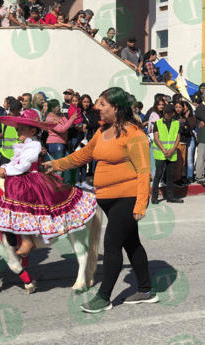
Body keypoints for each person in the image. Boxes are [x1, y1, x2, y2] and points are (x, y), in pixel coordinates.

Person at [43, 87, 157, 313]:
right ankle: (145, 290)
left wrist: (141, 204)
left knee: (112, 244)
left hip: (127, 197)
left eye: (102, 104)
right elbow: (82, 156)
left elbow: (144, 170)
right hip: (106, 198)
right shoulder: (103, 132)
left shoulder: (134, 134)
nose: (97, 108)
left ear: (116, 107)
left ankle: (103, 297)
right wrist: (54, 164)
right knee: (131, 243)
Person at [0, 109, 97, 255]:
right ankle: (14, 233)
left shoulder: (34, 145)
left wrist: (6, 171)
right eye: (17, 129)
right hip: (23, 174)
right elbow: (15, 161)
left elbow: (24, 165)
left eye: (22, 129)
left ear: (32, 130)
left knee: (20, 195)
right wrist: (3, 168)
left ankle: (27, 238)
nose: (18, 132)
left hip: (31, 177)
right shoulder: (23, 144)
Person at [151, 104, 183, 203]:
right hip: (161, 153)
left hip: (172, 153)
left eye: (168, 112)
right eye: (165, 112)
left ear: (173, 113)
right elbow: (156, 138)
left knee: (170, 176)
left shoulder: (176, 123)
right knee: (158, 175)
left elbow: (178, 138)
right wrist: (164, 150)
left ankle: (170, 197)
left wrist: (172, 150)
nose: (166, 114)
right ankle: (154, 197)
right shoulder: (158, 123)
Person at [46, 99, 77, 184]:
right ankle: (58, 184)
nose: (60, 107)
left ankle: (66, 183)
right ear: (52, 108)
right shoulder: (50, 118)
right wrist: (72, 118)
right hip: (55, 144)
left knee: (67, 163)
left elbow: (68, 125)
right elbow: (61, 129)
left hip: (62, 143)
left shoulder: (61, 116)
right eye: (58, 106)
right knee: (59, 166)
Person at [78, 94, 100, 188]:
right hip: (80, 138)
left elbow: (96, 124)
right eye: (84, 102)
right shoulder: (78, 112)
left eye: (87, 102)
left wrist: (86, 125)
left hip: (90, 137)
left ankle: (91, 175)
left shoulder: (93, 112)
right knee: (81, 158)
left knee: (92, 158)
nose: (86, 104)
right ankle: (81, 179)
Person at [173, 101, 196, 187]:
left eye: (180, 107)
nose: (178, 109)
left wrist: (183, 128)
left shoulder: (184, 118)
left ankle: (179, 178)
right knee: (177, 162)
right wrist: (183, 128)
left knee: (182, 162)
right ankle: (175, 179)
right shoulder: (174, 118)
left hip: (184, 142)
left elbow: (188, 130)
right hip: (177, 143)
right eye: (176, 107)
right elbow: (176, 130)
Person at [0, 100, 22, 165]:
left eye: (14, 109)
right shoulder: (4, 120)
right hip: (6, 155)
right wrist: (4, 135)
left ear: (19, 110)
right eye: (10, 109)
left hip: (20, 155)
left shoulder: (24, 121)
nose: (11, 111)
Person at [147, 98, 165, 182]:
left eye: (162, 105)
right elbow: (156, 129)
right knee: (155, 160)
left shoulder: (161, 114)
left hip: (159, 140)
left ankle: (157, 179)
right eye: (159, 105)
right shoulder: (155, 115)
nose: (161, 106)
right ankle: (156, 179)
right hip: (155, 140)